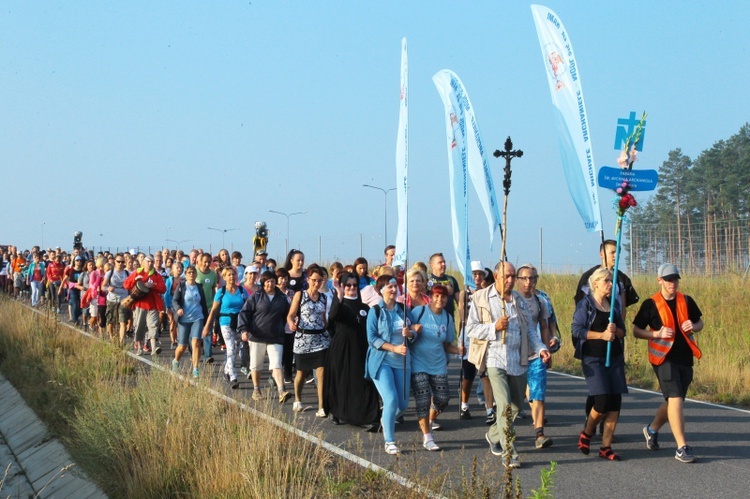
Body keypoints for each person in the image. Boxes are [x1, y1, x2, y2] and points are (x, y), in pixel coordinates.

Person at [466, 262, 550, 469]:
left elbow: (530, 330)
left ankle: (493, 434)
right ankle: (509, 452)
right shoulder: (481, 298)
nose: (511, 280)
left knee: (515, 406)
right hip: (495, 358)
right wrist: (494, 326)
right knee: (503, 406)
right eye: (507, 276)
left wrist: (541, 349)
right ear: (496, 276)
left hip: (518, 359)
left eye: (513, 276)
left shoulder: (520, 300)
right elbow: (471, 329)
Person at [632, 263, 704, 463]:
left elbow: (700, 322)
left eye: (675, 279)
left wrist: (694, 325)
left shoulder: (686, 300)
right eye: (669, 279)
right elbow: (636, 330)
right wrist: (656, 333)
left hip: (684, 357)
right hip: (663, 359)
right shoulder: (650, 304)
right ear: (660, 280)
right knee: (675, 397)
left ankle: (651, 429)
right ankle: (682, 447)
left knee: (674, 400)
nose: (673, 283)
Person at [574, 239, 639, 432]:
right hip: (594, 340)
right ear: (602, 254)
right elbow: (581, 312)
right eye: (612, 252)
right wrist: (596, 335)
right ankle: (591, 422)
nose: (615, 256)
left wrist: (619, 330)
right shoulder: (588, 277)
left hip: (614, 335)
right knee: (599, 390)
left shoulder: (621, 278)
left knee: (612, 389)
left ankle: (606, 432)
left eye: (617, 252)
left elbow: (624, 305)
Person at [572, 268, 627, 461]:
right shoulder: (585, 305)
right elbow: (577, 330)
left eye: (612, 281)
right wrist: (601, 335)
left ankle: (606, 447)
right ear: (595, 283)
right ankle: (587, 432)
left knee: (614, 403)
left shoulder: (614, 305)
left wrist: (616, 330)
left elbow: (623, 332)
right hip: (594, 358)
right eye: (606, 281)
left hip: (614, 358)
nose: (610, 284)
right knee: (602, 401)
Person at [365, 275, 418, 456]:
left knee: (402, 405)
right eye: (389, 287)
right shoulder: (375, 311)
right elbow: (372, 339)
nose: (394, 290)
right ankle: (390, 441)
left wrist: (409, 333)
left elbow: (415, 332)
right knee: (391, 400)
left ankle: (385, 418)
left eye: (395, 286)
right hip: (382, 361)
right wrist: (393, 347)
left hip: (403, 362)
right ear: (381, 290)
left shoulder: (403, 310)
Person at [324, 271, 380, 430]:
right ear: (342, 286)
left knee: (362, 381)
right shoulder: (340, 304)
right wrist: (339, 295)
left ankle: (369, 416)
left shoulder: (364, 307)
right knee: (342, 381)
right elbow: (333, 317)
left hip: (361, 348)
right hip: (342, 349)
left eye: (354, 285)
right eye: (347, 285)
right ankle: (336, 411)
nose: (351, 288)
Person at [410, 285, 461, 451]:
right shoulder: (419, 312)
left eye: (443, 297)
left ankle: (429, 421)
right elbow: (406, 329)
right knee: (423, 398)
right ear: (430, 297)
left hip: (438, 364)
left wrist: (459, 350)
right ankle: (427, 436)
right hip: (418, 363)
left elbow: (447, 344)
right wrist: (412, 329)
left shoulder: (447, 318)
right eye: (437, 296)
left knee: (442, 399)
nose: (440, 300)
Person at [516, 263, 555, 449]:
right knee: (517, 397)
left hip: (535, 353)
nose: (528, 282)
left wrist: (546, 350)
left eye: (531, 278)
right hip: (514, 356)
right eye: (524, 278)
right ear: (517, 280)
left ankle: (539, 433)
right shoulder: (510, 300)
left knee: (538, 392)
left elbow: (544, 327)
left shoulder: (540, 302)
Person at [237, 271, 292, 403]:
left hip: (275, 337)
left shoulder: (282, 298)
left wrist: (287, 325)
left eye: (272, 281)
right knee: (256, 365)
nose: (270, 284)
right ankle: (256, 389)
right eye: (267, 281)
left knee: (276, 364)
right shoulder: (256, 296)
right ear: (263, 282)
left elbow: (288, 314)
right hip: (257, 336)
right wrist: (244, 330)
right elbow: (245, 313)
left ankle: (281, 391)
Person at [287, 265, 329, 415]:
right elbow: (290, 314)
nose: (316, 284)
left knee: (321, 373)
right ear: (308, 279)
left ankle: (321, 406)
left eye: (319, 281)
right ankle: (298, 399)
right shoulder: (301, 295)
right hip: (303, 339)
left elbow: (324, 319)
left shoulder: (323, 298)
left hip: (320, 339)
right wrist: (291, 323)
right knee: (301, 373)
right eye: (314, 280)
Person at [457, 261, 495, 424]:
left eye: (480, 274)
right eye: (474, 274)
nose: (477, 277)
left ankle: (489, 410)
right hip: (468, 335)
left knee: (485, 374)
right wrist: (461, 339)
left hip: (484, 335)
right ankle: (464, 405)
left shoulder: (489, 292)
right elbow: (462, 317)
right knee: (468, 375)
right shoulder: (464, 293)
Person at [203, 267, 247, 389]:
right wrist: (207, 326)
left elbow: (249, 307)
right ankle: (233, 377)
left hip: (239, 323)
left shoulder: (242, 291)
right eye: (229, 275)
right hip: (225, 322)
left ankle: (226, 369)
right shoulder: (221, 292)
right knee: (231, 348)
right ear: (224, 277)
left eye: (234, 274)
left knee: (235, 349)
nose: (232, 277)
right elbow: (213, 310)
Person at [124, 255, 167, 356]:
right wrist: (135, 279)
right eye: (148, 261)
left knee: (153, 325)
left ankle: (153, 348)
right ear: (143, 262)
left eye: (152, 262)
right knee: (139, 326)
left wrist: (153, 286)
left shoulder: (156, 275)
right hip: (140, 304)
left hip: (153, 305)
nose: (150, 263)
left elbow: (163, 289)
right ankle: (139, 347)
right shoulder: (137, 272)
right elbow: (126, 285)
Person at [171, 265, 208, 378]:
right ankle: (176, 361)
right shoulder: (181, 286)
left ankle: (196, 368)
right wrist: (178, 309)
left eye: (193, 272)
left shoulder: (199, 287)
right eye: (189, 272)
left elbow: (203, 303)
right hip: (184, 319)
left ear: (196, 274)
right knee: (182, 346)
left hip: (198, 317)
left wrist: (207, 320)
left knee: (196, 342)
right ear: (186, 274)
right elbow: (175, 300)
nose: (191, 274)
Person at [104, 254, 132, 347]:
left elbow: (132, 285)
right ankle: (112, 338)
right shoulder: (110, 273)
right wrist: (108, 288)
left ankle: (121, 342)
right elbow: (102, 286)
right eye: (118, 261)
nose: (120, 263)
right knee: (111, 321)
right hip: (112, 299)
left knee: (123, 321)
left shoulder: (127, 273)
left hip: (124, 300)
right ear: (114, 262)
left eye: (122, 262)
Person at [196, 253, 219, 364]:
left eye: (209, 262)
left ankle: (208, 356)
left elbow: (215, 289)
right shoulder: (195, 273)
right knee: (196, 332)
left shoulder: (213, 275)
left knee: (207, 331)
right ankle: (194, 353)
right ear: (200, 261)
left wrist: (216, 304)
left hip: (209, 306)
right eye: (204, 261)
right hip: (196, 307)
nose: (206, 264)